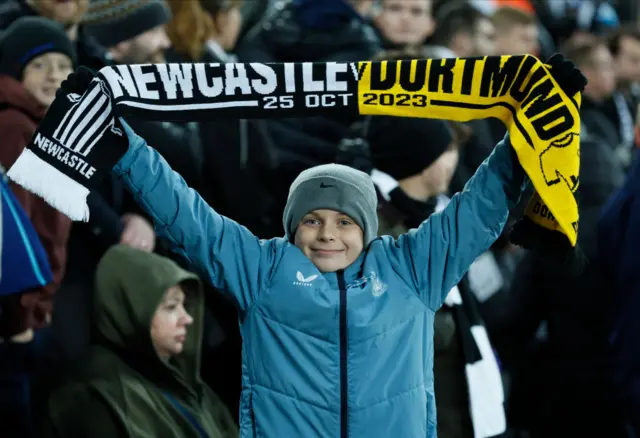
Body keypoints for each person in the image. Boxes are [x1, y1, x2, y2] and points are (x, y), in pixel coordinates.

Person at [50, 56, 583, 437]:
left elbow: (482, 205)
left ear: (369, 229)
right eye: (311, 220)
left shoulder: (413, 269)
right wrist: (121, 144)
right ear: (291, 225)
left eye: (344, 222)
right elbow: (185, 215)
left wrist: (535, 128)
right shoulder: (261, 270)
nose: (327, 233)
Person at [368, 116, 507, 438]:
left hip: (448, 402)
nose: (454, 160)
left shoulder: (431, 214)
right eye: (448, 149)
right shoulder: (377, 230)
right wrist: (442, 322)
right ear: (423, 158)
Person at [44, 245, 238, 438]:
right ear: (131, 309)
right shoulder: (94, 398)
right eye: (171, 307)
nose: (187, 318)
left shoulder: (186, 381)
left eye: (184, 305)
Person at [0, 15, 75, 339]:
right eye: (40, 66)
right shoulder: (15, 126)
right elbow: (15, 230)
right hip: (19, 316)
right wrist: (22, 312)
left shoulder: (44, 124)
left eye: (62, 64)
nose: (55, 75)